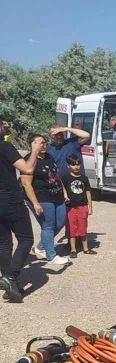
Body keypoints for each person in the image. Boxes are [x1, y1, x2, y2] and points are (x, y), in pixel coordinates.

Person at [0, 123, 43, 302]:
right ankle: (10, 277)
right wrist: (34, 150)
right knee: (26, 239)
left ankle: (11, 282)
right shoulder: (4, 146)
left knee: (3, 242)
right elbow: (27, 169)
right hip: (10, 199)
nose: (4, 126)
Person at [20, 134, 71, 266]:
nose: (44, 145)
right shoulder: (28, 160)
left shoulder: (49, 156)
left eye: (44, 142)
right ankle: (51, 255)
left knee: (59, 223)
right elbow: (26, 184)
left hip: (57, 195)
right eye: (40, 143)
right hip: (41, 197)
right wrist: (35, 203)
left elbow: (56, 175)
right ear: (32, 145)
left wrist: (64, 191)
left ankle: (41, 247)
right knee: (48, 226)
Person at [63, 156, 94, 258]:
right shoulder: (66, 178)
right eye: (73, 164)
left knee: (83, 227)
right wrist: (65, 196)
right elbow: (62, 187)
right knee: (71, 228)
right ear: (68, 166)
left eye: (77, 164)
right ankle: (73, 249)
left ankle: (86, 248)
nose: (76, 167)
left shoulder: (84, 178)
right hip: (70, 207)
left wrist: (90, 206)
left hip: (82, 205)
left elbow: (88, 192)